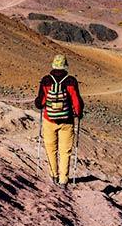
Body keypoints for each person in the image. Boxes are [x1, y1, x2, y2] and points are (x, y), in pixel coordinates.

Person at [34, 53, 84, 187]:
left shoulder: (46, 80)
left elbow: (40, 102)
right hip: (66, 121)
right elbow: (76, 101)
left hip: (49, 120)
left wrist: (39, 103)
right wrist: (78, 114)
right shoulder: (71, 81)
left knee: (51, 149)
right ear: (65, 66)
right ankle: (63, 180)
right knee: (65, 151)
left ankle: (54, 175)